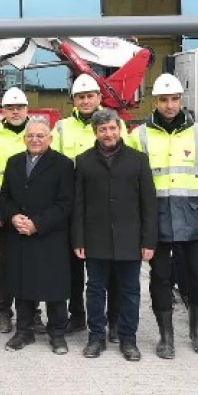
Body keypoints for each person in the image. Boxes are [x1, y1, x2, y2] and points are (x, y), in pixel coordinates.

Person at [128, 73, 198, 359]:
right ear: (155, 101)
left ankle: (197, 329)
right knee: (160, 277)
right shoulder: (139, 135)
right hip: (156, 219)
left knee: (196, 276)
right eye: (164, 100)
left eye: (174, 99)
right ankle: (165, 336)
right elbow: (132, 182)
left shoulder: (197, 133)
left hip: (192, 217)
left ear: (181, 100)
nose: (170, 105)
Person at [72, 109, 157, 362]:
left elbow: (148, 204)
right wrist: (78, 239)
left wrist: (148, 241)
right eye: (102, 130)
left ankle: (128, 339)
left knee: (130, 291)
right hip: (95, 238)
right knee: (95, 289)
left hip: (130, 239)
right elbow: (79, 205)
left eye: (112, 128)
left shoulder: (138, 160)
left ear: (119, 129)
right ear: (95, 132)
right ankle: (96, 337)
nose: (108, 134)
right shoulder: (84, 161)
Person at [51, 73, 126, 339]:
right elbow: (55, 166)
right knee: (73, 266)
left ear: (98, 97)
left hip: (106, 205)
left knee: (113, 267)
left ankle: (114, 319)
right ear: (73, 99)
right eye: (80, 97)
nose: (85, 101)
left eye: (90, 96)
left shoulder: (114, 124)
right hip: (74, 204)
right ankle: (78, 316)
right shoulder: (61, 127)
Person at [0, 118, 74, 355]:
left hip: (50, 234)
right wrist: (13, 217)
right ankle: (24, 331)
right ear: (24, 139)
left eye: (41, 135)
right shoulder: (14, 162)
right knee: (22, 284)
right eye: (31, 135)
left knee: (55, 287)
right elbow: (5, 197)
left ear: (50, 139)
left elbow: (66, 204)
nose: (35, 139)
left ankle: (57, 334)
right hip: (20, 234)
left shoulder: (62, 164)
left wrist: (37, 224)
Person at [0, 87, 42, 335]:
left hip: (34, 213)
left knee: (33, 263)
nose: (15, 111)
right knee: (4, 265)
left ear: (27, 109)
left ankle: (34, 313)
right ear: (3, 111)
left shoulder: (38, 134)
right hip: (5, 212)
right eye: (10, 108)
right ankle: (4, 312)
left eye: (19, 107)